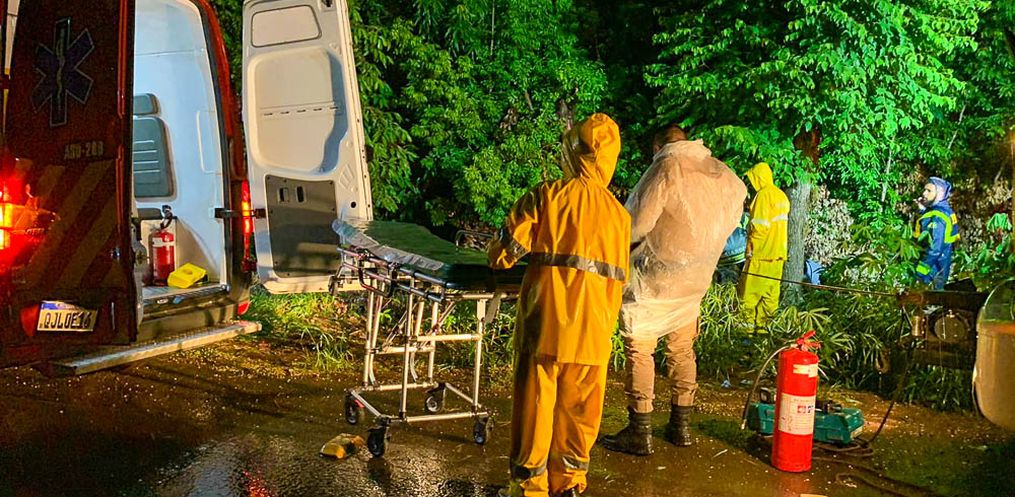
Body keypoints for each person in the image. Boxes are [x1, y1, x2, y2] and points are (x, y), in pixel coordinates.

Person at [488, 113, 630, 497]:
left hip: (546, 326)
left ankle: (529, 486)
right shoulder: (620, 217)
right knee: (580, 415)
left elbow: (503, 254)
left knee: (535, 408)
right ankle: (570, 484)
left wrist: (497, 251)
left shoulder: (547, 196)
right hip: (594, 336)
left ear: (571, 152)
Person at [599, 125, 746, 455]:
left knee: (640, 350)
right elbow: (734, 210)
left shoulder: (666, 168)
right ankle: (681, 427)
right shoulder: (720, 172)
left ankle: (640, 430)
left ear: (657, 146)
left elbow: (634, 224)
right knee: (682, 351)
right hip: (694, 281)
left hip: (654, 280)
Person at [737, 162, 789, 329]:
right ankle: (764, 334)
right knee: (770, 299)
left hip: (761, 255)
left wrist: (750, 247)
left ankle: (744, 336)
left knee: (748, 296)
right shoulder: (781, 196)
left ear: (758, 178)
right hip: (778, 256)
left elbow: (759, 227)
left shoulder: (763, 195)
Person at [914, 176, 959, 290]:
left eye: (929, 191)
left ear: (939, 193)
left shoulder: (938, 217)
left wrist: (920, 273)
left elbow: (935, 249)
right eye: (924, 189)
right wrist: (922, 210)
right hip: (939, 267)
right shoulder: (943, 210)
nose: (924, 193)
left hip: (931, 272)